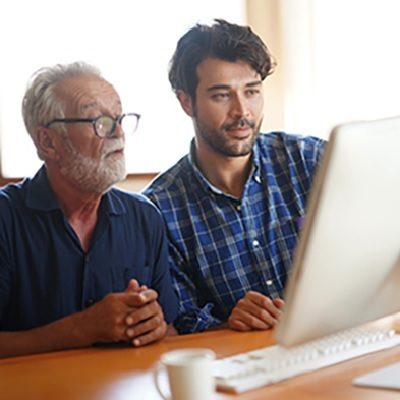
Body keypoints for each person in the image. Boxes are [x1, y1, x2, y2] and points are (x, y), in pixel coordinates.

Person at [143, 19, 326, 334]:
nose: (242, 111)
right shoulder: (160, 210)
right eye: (221, 95)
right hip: (242, 369)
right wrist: (228, 325)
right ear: (186, 101)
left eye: (252, 91)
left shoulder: (310, 160)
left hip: (338, 346)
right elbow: (181, 323)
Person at [0, 62, 178, 358]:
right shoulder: (6, 220)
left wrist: (155, 326)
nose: (118, 132)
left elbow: (169, 329)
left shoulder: (144, 217)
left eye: (120, 118)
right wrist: (82, 328)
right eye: (99, 121)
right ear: (48, 142)